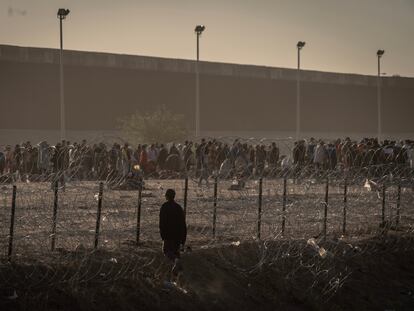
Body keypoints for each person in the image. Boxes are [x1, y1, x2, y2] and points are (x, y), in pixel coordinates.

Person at [159, 189, 187, 277]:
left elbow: (162, 223)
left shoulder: (164, 207)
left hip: (168, 235)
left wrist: (162, 236)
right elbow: (183, 224)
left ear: (166, 196)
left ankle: (175, 261)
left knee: (166, 251)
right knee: (176, 252)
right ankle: (179, 276)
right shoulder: (178, 208)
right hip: (178, 236)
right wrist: (183, 240)